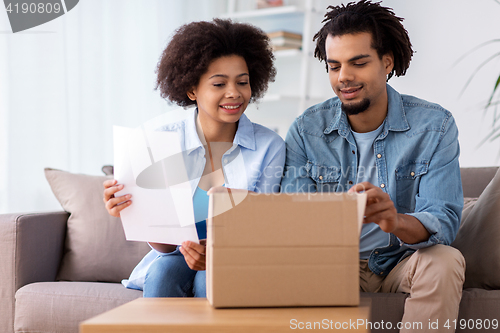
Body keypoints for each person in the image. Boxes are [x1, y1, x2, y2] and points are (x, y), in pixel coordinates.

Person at [281, 1, 465, 332]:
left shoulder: (435, 126)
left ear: (387, 62)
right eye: (334, 66)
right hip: (333, 266)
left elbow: (443, 221)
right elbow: (292, 223)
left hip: (400, 262)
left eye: (358, 62)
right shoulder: (306, 130)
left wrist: (394, 220)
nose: (344, 77)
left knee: (445, 260)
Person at [103, 19, 285, 298]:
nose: (234, 92)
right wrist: (131, 208)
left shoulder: (269, 147)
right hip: (177, 257)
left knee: (207, 279)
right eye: (219, 83)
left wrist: (216, 255)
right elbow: (164, 246)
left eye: (242, 82)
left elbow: (266, 228)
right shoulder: (158, 143)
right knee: (163, 272)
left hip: (241, 257)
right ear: (192, 90)